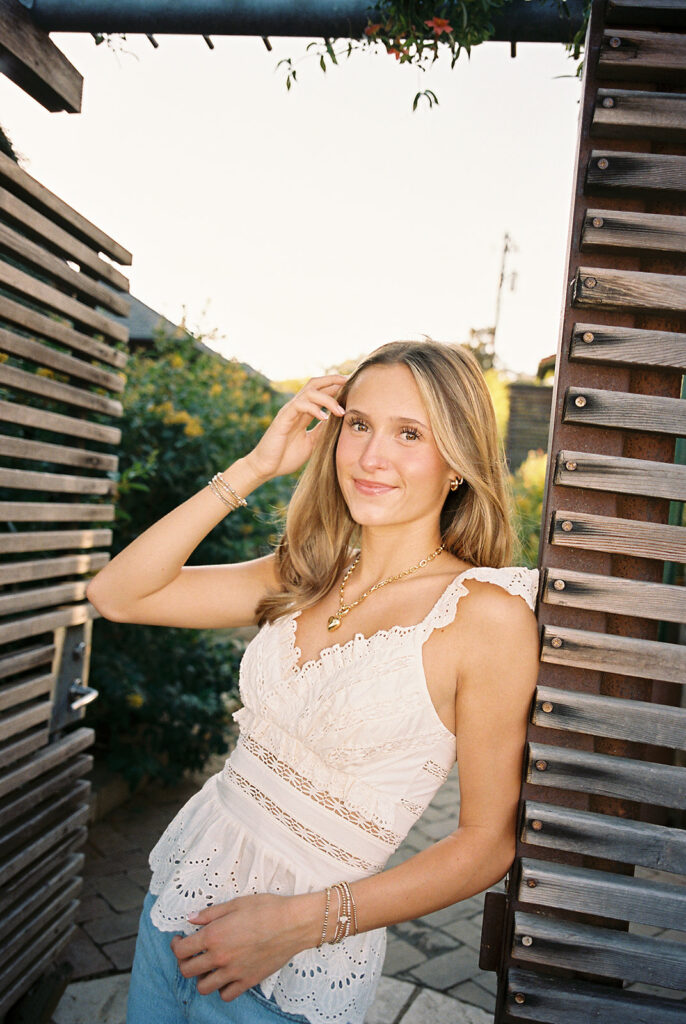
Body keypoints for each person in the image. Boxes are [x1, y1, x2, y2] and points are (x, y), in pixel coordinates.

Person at [85, 338, 540, 1024]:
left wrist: (297, 926)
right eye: (358, 424)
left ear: (457, 463)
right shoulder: (307, 571)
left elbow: (484, 844)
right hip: (177, 901)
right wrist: (254, 467)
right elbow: (117, 594)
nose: (370, 456)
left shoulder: (485, 615)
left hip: (285, 970)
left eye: (408, 433)